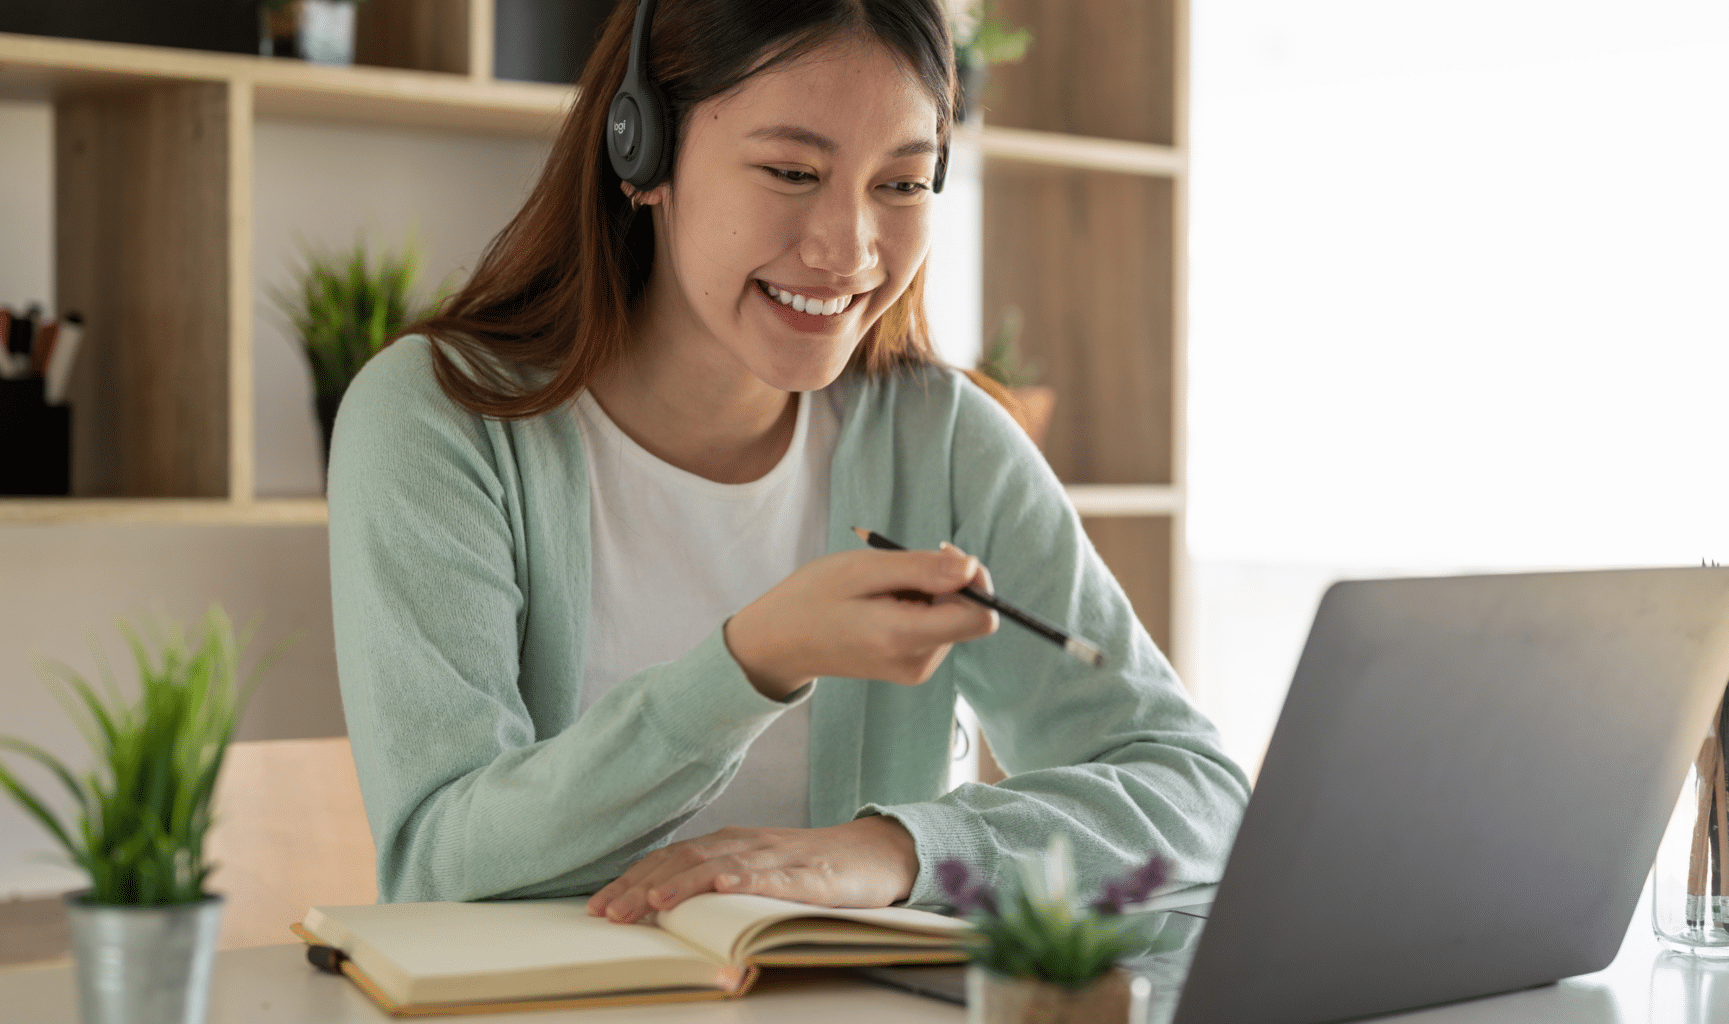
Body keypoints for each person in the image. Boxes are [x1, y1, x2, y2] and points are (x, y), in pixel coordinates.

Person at [326, 0, 1248, 923]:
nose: (847, 249)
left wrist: (895, 850)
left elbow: (1199, 797)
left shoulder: (943, 441)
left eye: (902, 184)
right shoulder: (440, 421)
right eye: (791, 171)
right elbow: (437, 869)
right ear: (639, 151)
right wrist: (753, 662)